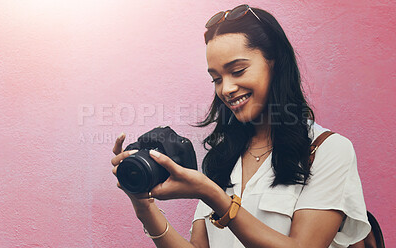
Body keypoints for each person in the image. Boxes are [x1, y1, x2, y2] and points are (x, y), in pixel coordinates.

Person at [110, 4, 371, 248]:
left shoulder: (328, 150)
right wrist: (143, 204)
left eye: (237, 71)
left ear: (275, 63)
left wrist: (212, 195)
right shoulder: (222, 157)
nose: (226, 89)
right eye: (216, 78)